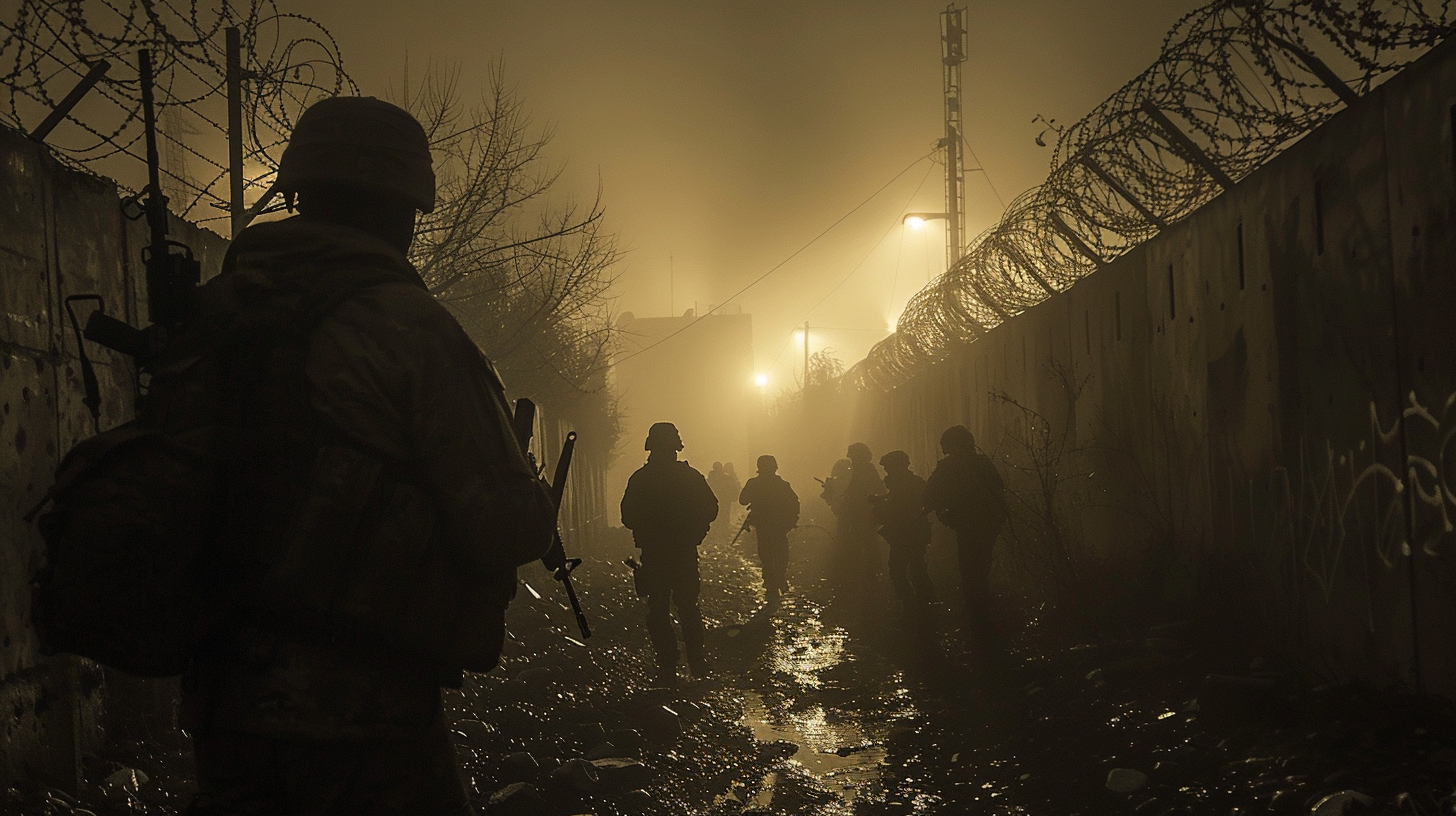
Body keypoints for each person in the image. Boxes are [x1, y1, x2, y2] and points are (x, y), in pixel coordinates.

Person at [182, 97, 556, 814]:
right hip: (361, 707)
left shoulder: (219, 309)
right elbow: (508, 526)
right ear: (407, 209)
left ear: (297, 191)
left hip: (222, 697)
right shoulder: (411, 329)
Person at [620, 422, 719, 685]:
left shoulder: (640, 479)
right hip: (683, 552)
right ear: (676, 447)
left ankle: (668, 663)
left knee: (658, 609)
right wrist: (694, 529)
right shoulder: (690, 477)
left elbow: (627, 517)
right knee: (688, 607)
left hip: (655, 555)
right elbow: (711, 509)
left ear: (650, 447)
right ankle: (697, 662)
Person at [924, 425, 1009, 654]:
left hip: (969, 526)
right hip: (988, 525)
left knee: (971, 572)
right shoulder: (982, 463)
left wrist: (940, 510)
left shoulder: (949, 466)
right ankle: (983, 620)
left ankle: (978, 623)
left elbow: (930, 495)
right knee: (981, 569)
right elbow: (999, 490)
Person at [872, 450, 934, 609]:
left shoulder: (903, 484)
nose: (886, 471)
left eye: (888, 467)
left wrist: (879, 504)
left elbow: (897, 507)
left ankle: (911, 604)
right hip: (915, 531)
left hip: (905, 533)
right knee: (916, 566)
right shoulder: (915, 483)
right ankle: (925, 602)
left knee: (898, 569)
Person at [738, 455, 801, 606]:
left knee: (766, 555)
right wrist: (792, 521)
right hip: (778, 527)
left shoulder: (754, 483)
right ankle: (777, 578)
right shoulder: (782, 484)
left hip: (765, 526)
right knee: (780, 554)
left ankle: (771, 582)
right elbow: (794, 504)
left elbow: (743, 500)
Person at [834, 442, 885, 580]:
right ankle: (862, 568)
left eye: (852, 454)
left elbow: (873, 489)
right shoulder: (859, 469)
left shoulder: (863, 470)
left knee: (864, 540)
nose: (849, 456)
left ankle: (866, 569)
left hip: (862, 511)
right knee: (861, 540)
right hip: (857, 511)